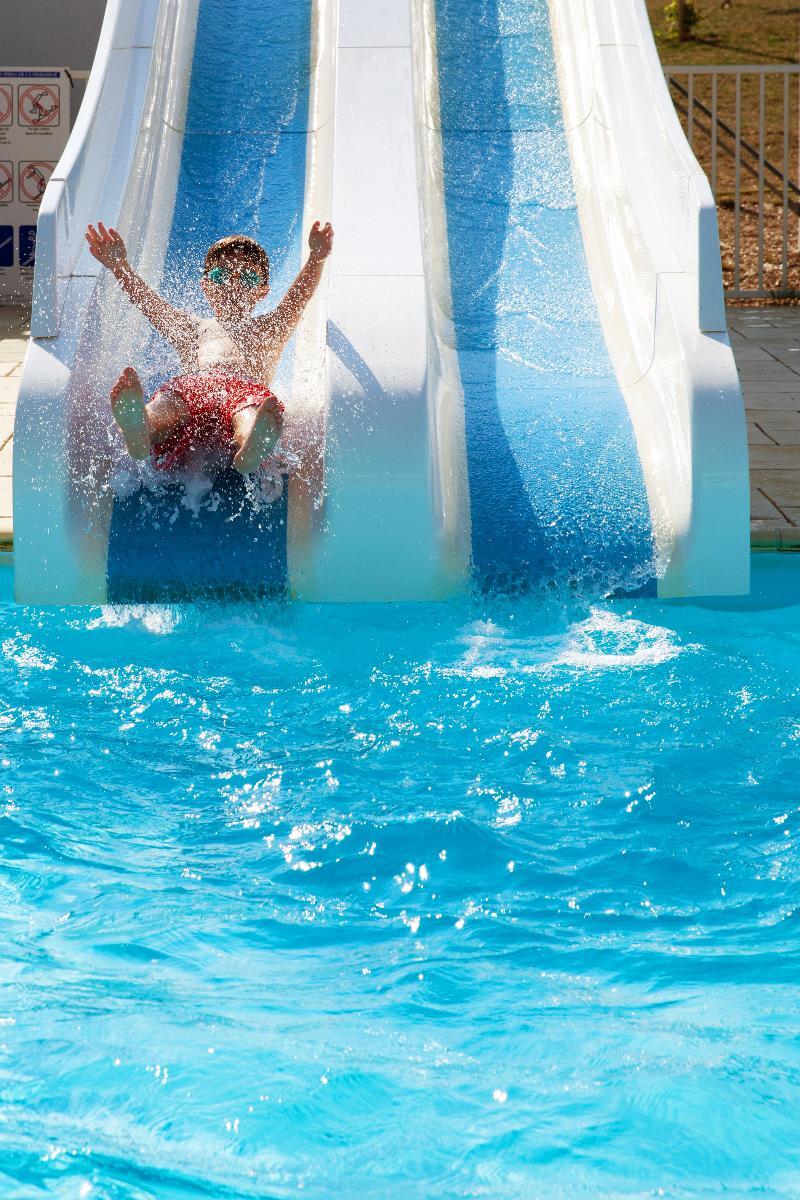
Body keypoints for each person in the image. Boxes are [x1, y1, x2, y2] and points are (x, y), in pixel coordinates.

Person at [84, 220, 334, 477]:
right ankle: (142, 429)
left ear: (262, 292)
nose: (232, 284)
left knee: (249, 414)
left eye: (247, 278)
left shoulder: (269, 328)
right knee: (168, 403)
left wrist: (316, 257)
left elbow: (298, 297)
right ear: (206, 286)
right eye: (220, 276)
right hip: (194, 388)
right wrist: (119, 266)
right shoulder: (193, 328)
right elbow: (150, 304)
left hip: (244, 392)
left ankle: (250, 449)